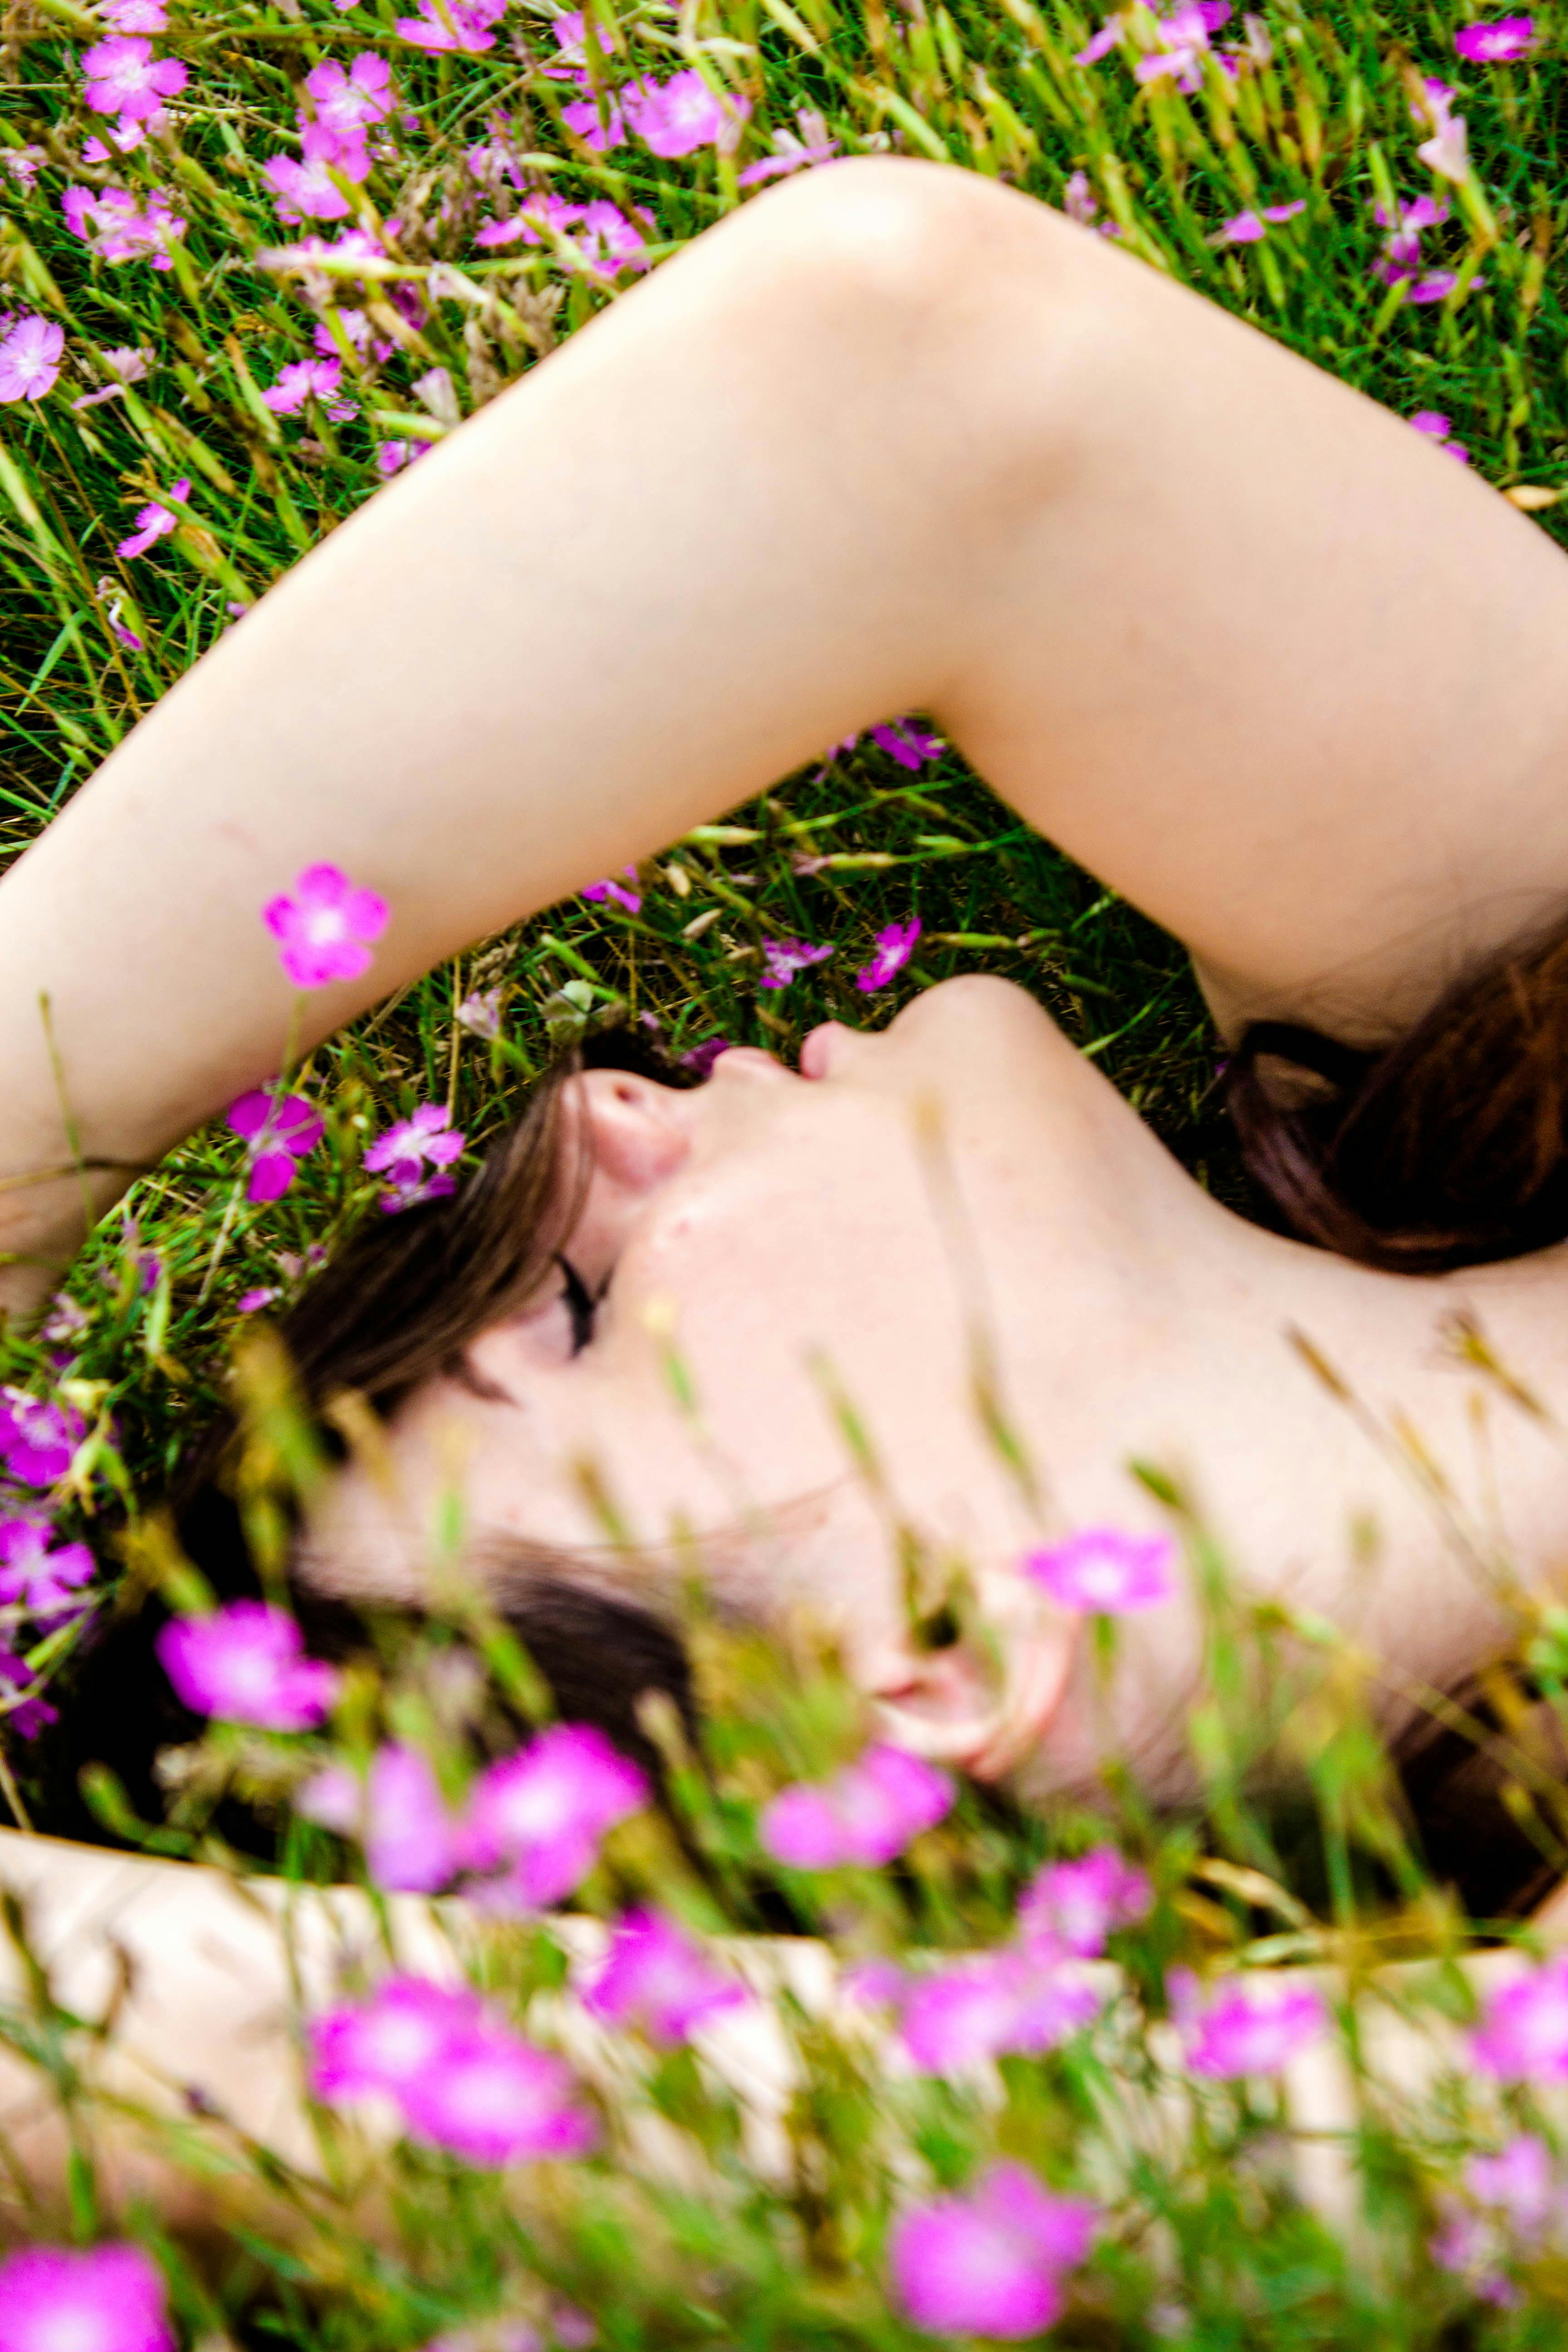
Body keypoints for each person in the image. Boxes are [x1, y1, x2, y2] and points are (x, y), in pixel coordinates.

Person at [7, 156, 1568, 1843]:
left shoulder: (1473, 1065)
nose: (582, 1114)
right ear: (943, 1654)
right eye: (581, 1312)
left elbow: (922, 362)